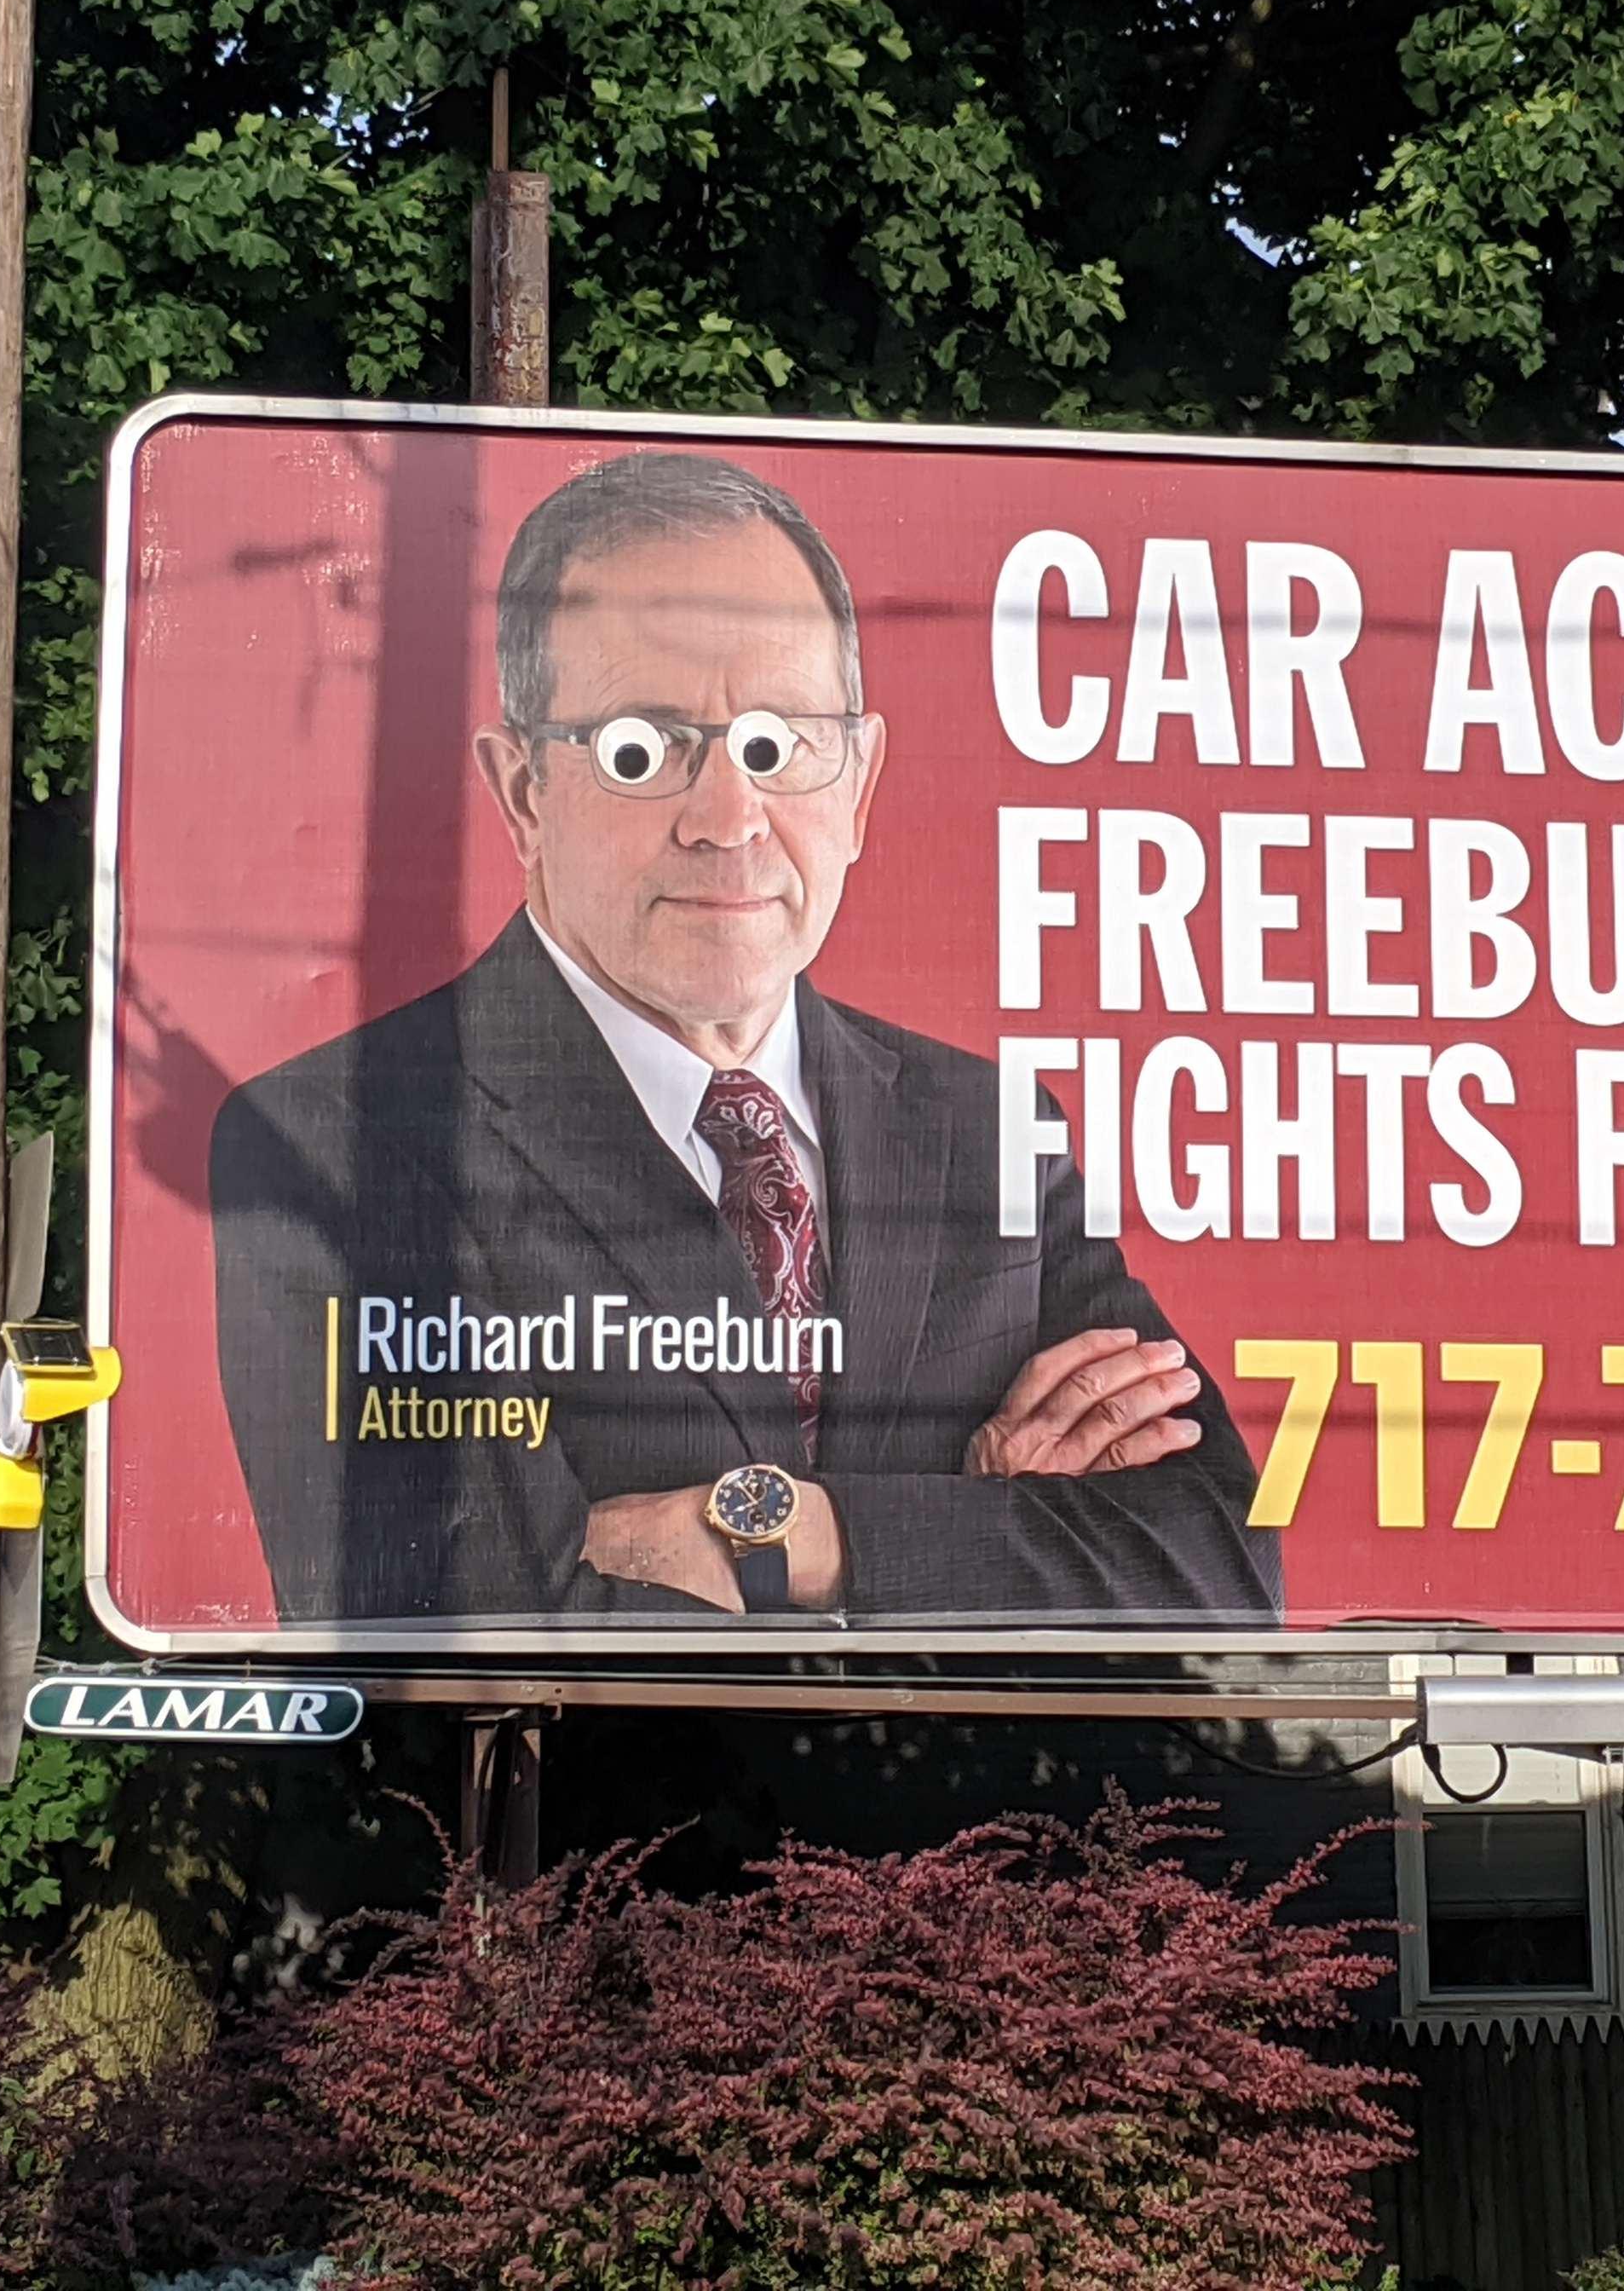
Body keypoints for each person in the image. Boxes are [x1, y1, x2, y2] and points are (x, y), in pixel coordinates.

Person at [209, 451, 1281, 1629]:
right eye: (642, 747)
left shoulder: (988, 1132)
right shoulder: (331, 1141)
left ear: (859, 784)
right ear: (522, 792)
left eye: (779, 744)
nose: (728, 820)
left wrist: (806, 1535)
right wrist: (977, 1529)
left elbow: (1219, 1569)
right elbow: (468, 1619)